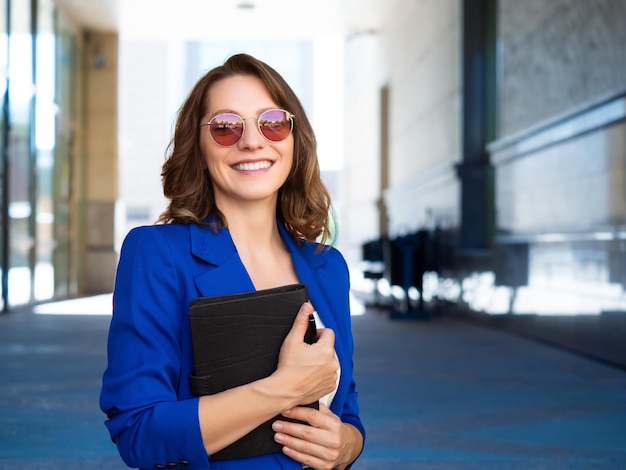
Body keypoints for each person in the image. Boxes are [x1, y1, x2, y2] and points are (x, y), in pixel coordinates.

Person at [100, 53, 365, 470]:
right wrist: (283, 388)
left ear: (294, 139)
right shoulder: (158, 254)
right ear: (198, 145)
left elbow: (345, 409)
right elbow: (139, 432)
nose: (252, 141)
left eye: (272, 122)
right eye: (226, 127)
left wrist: (347, 445)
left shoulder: (327, 267)